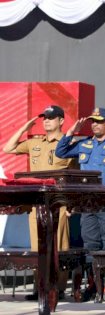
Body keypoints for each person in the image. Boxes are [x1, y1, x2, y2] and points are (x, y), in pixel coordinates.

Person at [2, 105, 78, 301]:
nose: (46, 121)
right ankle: (40, 287)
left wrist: (72, 204)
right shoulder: (35, 143)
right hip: (37, 202)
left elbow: (76, 177)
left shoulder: (68, 143)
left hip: (58, 202)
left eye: (51, 118)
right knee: (39, 246)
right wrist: (24, 128)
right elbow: (7, 148)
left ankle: (59, 288)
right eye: (44, 118)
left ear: (61, 121)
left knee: (59, 245)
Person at [55, 107, 105, 300]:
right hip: (87, 203)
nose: (95, 125)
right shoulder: (85, 144)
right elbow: (61, 152)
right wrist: (71, 131)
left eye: (99, 121)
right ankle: (94, 285)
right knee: (90, 244)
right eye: (93, 121)